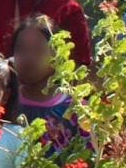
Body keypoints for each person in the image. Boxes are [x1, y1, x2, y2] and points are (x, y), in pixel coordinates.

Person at [12, 15, 79, 152]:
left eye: (39, 49)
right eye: (21, 49)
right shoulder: (5, 102)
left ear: (57, 55)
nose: (29, 57)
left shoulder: (76, 110)